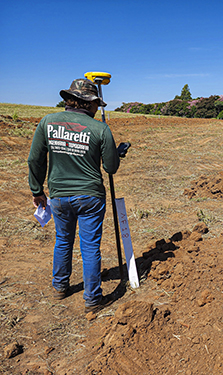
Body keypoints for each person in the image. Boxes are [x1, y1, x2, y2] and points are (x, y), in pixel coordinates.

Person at [28, 78, 120, 313]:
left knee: (63, 240)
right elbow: (110, 168)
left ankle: (60, 287)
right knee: (90, 246)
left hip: (58, 196)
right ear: (88, 103)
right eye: (96, 104)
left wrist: (37, 190)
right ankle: (92, 300)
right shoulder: (100, 128)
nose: (98, 108)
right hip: (90, 197)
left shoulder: (47, 122)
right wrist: (116, 153)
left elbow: (35, 159)